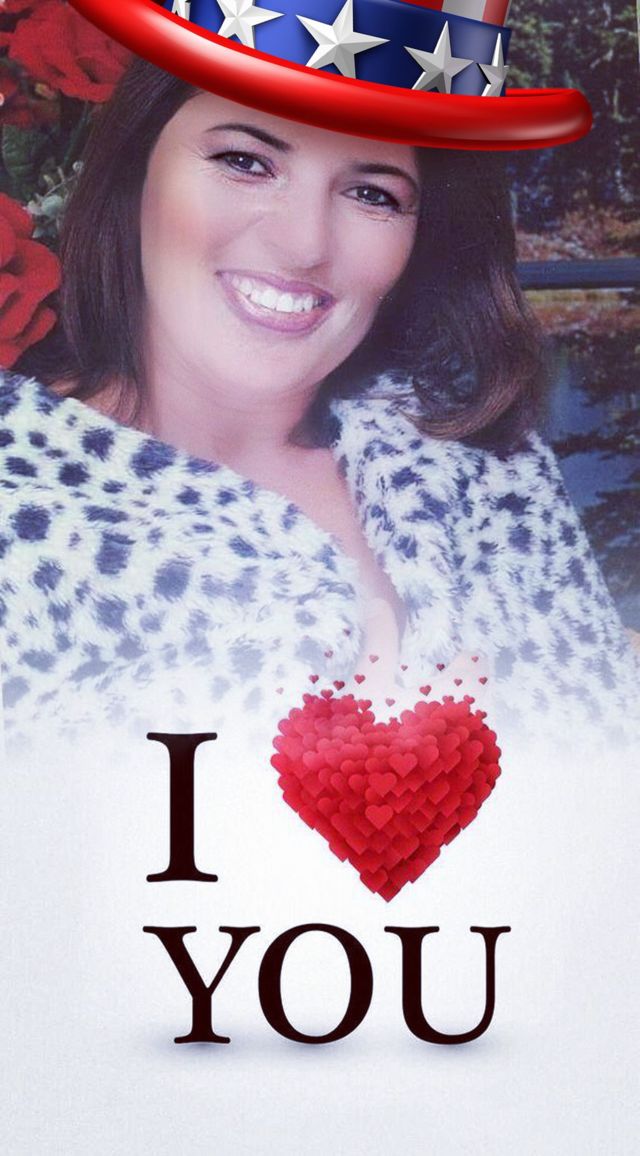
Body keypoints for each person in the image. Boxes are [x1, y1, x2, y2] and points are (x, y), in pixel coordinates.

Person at [0, 47, 637, 754]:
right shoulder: (17, 513)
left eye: (373, 194)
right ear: (135, 166)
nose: (304, 243)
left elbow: (606, 766)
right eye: (245, 160)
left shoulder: (485, 468)